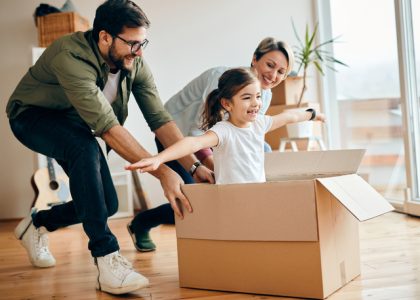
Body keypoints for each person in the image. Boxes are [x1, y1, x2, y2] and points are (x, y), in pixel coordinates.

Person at [6, 0, 213, 295]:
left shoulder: (134, 61)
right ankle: (107, 260)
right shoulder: (70, 55)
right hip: (31, 116)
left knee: (107, 205)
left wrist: (194, 165)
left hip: (73, 123)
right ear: (105, 37)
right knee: (84, 148)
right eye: (132, 44)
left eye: (143, 43)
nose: (139, 51)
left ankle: (38, 223)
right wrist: (163, 172)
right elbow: (107, 128)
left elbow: (160, 119)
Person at [127, 38, 295, 251]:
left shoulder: (265, 94)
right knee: (192, 200)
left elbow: (248, 133)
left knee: (264, 153)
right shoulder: (221, 79)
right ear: (255, 59)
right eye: (270, 65)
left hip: (209, 141)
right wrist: (210, 165)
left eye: (281, 72)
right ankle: (141, 223)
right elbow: (202, 130)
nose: (273, 75)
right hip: (176, 135)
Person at [127, 68, 325, 184]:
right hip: (232, 200)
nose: (256, 103)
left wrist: (312, 114)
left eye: (257, 96)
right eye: (247, 98)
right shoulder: (223, 131)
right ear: (227, 104)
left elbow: (289, 117)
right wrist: (159, 158)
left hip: (257, 196)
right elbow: (191, 144)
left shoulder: (260, 124)